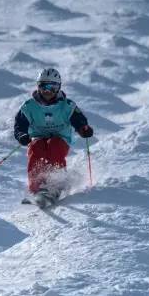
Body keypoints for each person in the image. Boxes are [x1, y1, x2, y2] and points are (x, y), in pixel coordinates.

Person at [14, 68, 94, 198]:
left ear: (58, 88)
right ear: (38, 87)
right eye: (43, 87)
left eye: (52, 87)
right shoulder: (29, 106)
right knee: (36, 148)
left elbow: (79, 120)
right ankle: (37, 188)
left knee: (54, 145)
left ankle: (57, 185)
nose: (47, 91)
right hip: (38, 137)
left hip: (61, 138)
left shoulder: (67, 105)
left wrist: (83, 129)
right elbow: (20, 125)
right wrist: (21, 135)